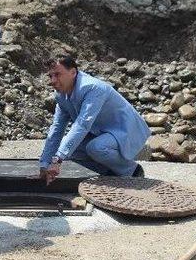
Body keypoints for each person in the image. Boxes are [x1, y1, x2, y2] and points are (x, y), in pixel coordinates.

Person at [38, 55, 151, 184]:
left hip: (125, 131)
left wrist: (57, 159)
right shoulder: (61, 95)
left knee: (95, 148)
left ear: (73, 72)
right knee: (69, 148)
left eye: (57, 75)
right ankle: (110, 174)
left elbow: (82, 125)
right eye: (50, 76)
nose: (52, 81)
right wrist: (44, 165)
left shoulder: (93, 88)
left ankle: (133, 171)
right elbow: (56, 129)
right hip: (100, 132)